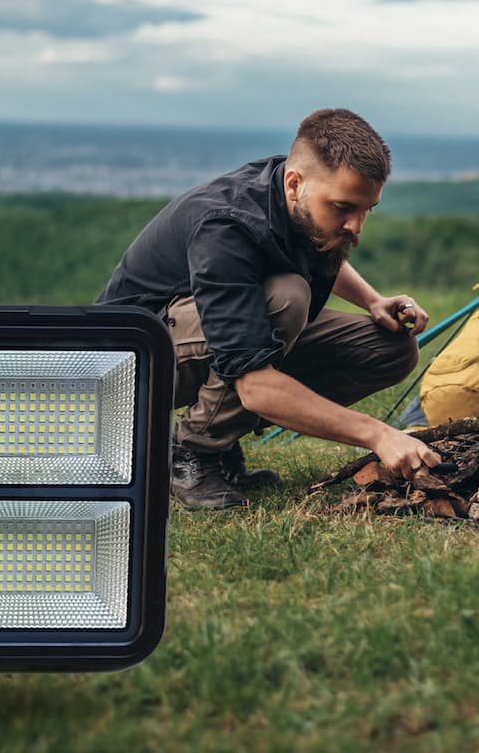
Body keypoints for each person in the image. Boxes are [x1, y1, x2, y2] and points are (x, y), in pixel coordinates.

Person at [97, 108, 442, 510]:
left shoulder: (297, 195)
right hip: (134, 361)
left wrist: (372, 300)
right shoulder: (227, 226)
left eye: (367, 209)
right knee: (287, 298)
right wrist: (378, 434)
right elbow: (255, 384)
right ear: (295, 184)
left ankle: (223, 438)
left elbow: (323, 242)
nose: (357, 225)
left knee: (392, 350)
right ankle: (192, 452)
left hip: (208, 336)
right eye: (344, 207)